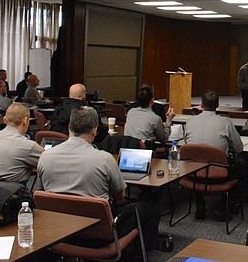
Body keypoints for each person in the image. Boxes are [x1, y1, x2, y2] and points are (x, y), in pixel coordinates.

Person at [36, 106, 158, 251]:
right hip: (99, 232)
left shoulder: (45, 157)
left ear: (69, 127)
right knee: (150, 206)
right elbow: (120, 195)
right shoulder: (104, 159)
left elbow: (41, 190)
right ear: (94, 130)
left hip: (59, 230)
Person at [184, 90, 244, 219]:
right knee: (243, 169)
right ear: (217, 105)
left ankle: (200, 203)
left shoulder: (190, 122)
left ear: (201, 105)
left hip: (193, 174)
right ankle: (224, 207)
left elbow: (188, 146)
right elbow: (239, 148)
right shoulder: (226, 122)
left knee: (197, 161)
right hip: (220, 174)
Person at [0, 104, 43, 183]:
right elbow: (49, 161)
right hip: (8, 193)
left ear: (5, 120)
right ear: (25, 120)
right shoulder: (28, 146)